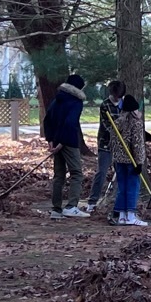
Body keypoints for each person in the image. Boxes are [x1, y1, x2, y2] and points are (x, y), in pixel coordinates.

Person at [41, 73, 88, 217]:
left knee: (59, 175)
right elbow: (70, 123)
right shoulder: (76, 102)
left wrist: (51, 141)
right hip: (68, 142)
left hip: (55, 141)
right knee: (76, 173)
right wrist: (61, 143)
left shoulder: (57, 100)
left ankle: (56, 209)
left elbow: (47, 121)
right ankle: (71, 206)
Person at [78, 82, 120, 216]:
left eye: (119, 96)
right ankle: (92, 202)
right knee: (101, 172)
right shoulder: (105, 105)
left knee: (121, 171)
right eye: (115, 96)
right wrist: (116, 135)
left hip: (121, 145)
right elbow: (106, 126)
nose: (117, 99)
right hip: (106, 143)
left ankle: (116, 199)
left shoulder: (124, 105)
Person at [110, 88, 149, 226]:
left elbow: (113, 143)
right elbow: (137, 144)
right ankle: (131, 215)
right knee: (133, 186)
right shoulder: (136, 123)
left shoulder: (116, 122)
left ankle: (121, 215)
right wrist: (139, 162)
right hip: (131, 161)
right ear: (134, 110)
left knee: (122, 186)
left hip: (119, 160)